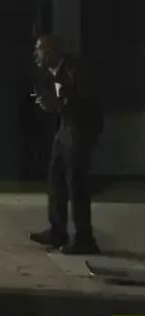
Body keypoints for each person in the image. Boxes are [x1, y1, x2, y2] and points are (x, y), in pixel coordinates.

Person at [29, 34, 103, 255]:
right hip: (65, 130)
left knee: (76, 185)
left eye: (39, 50)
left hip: (80, 131)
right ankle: (58, 231)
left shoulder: (76, 69)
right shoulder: (53, 73)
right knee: (56, 180)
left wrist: (59, 103)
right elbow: (62, 99)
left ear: (51, 51)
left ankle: (84, 238)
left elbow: (88, 101)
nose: (35, 55)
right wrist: (51, 103)